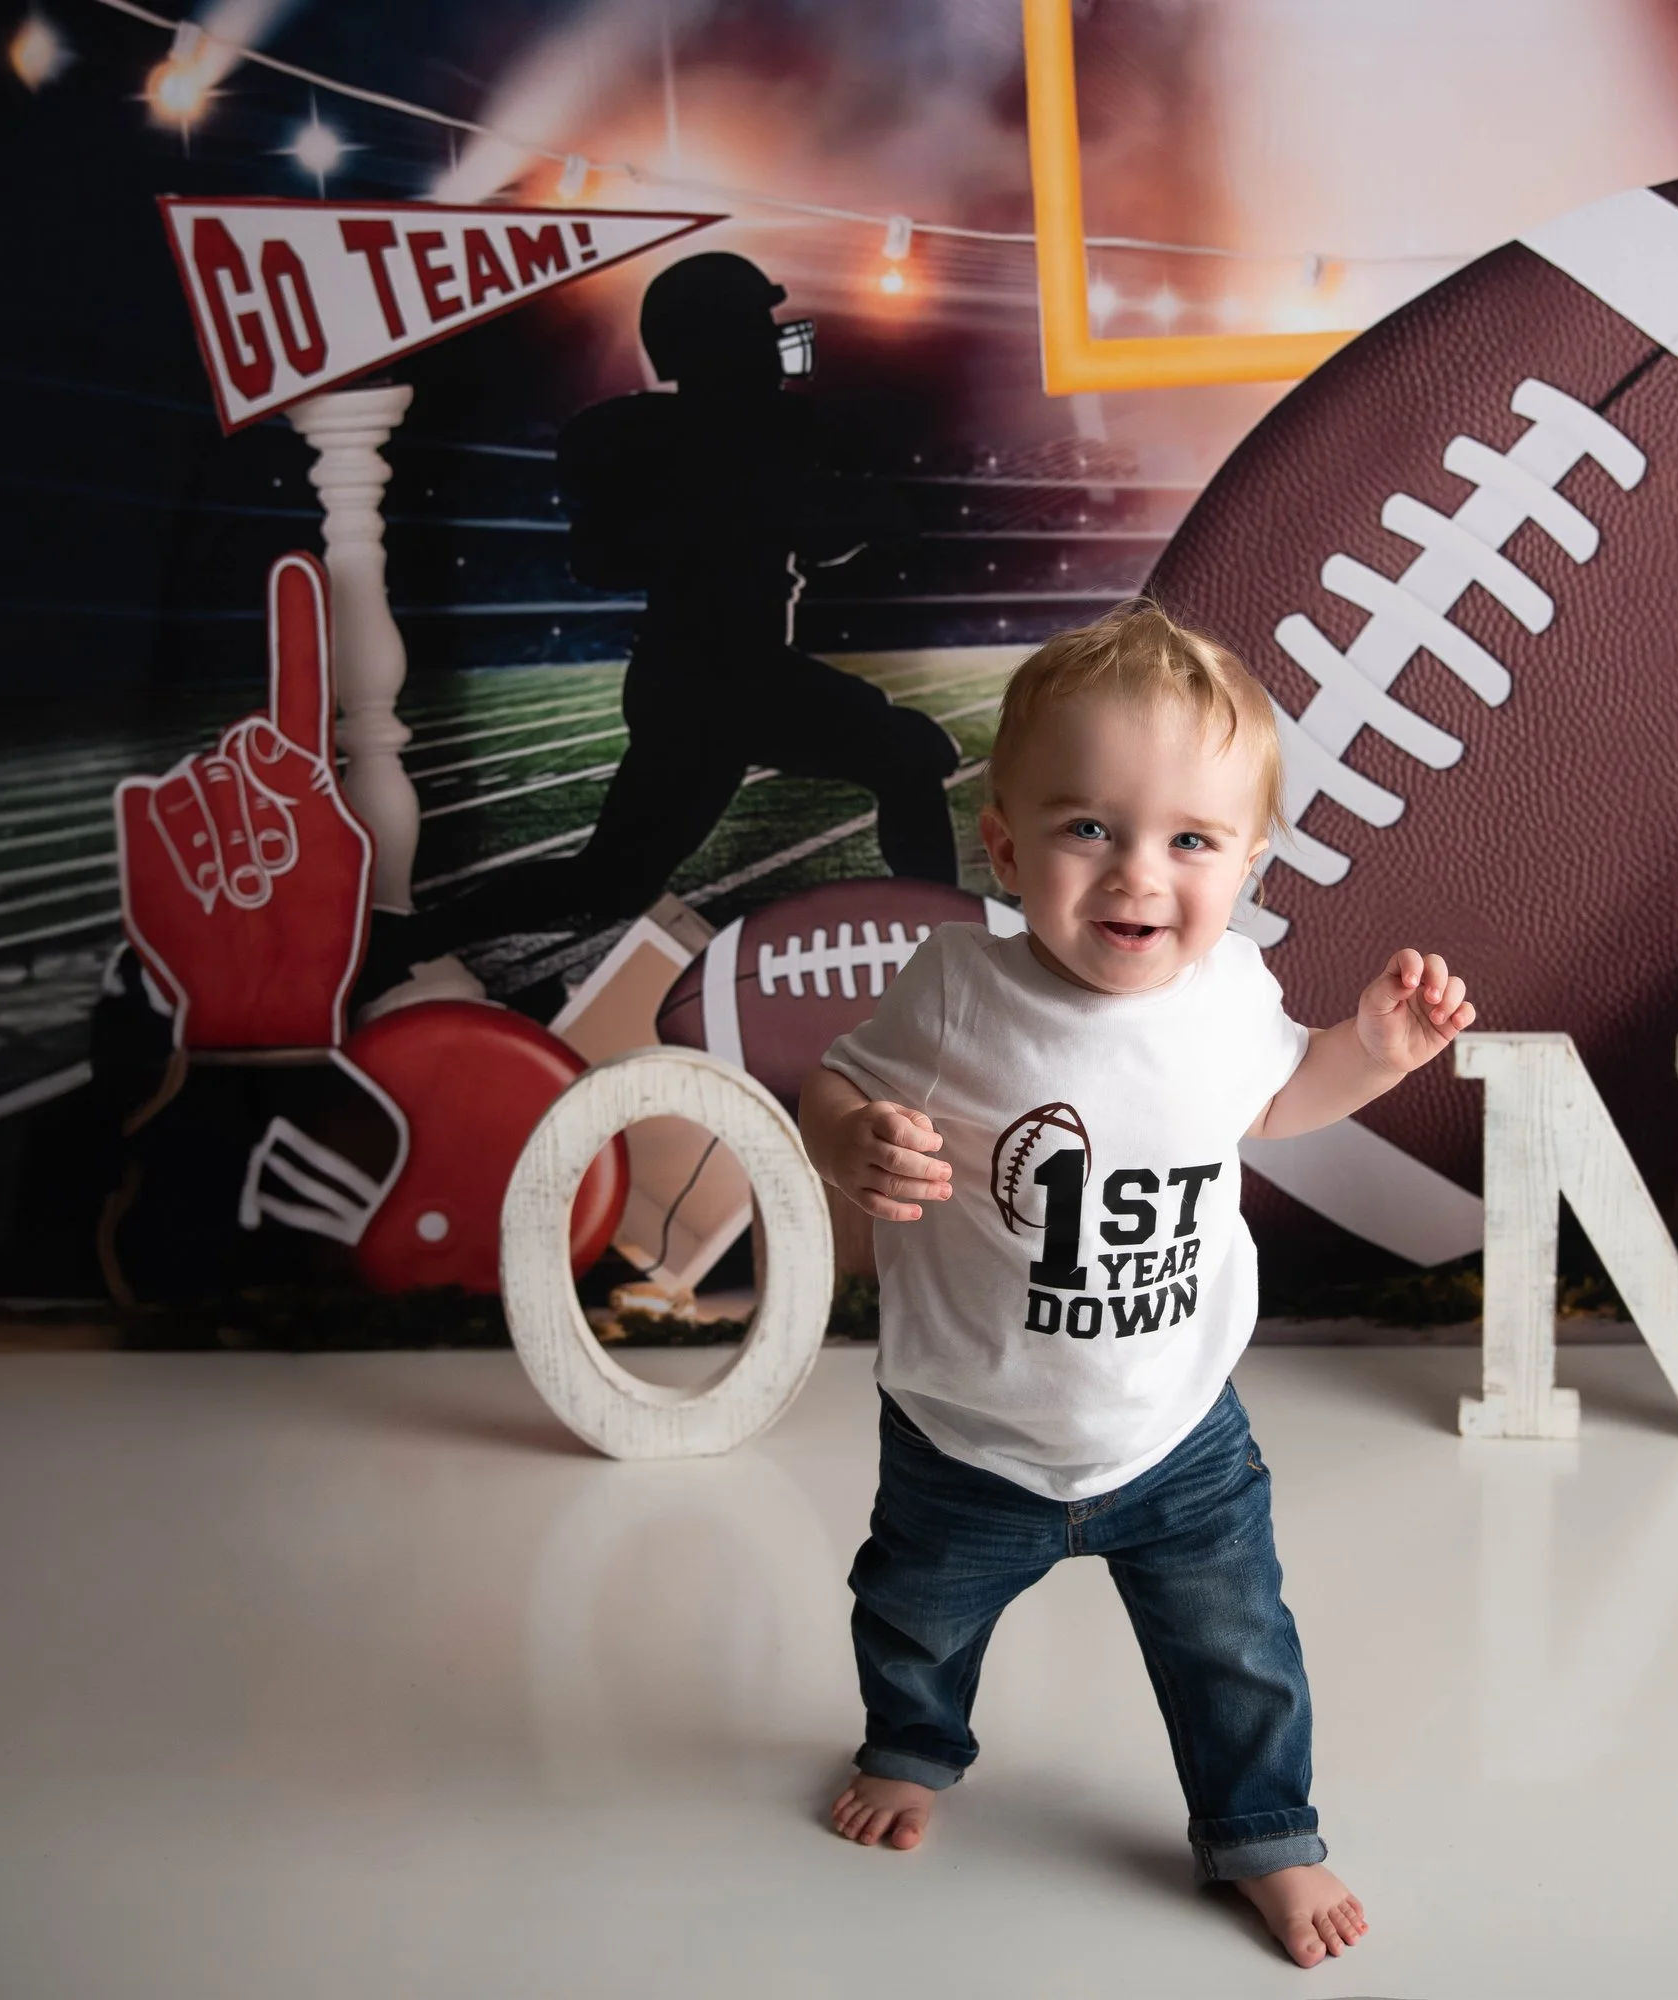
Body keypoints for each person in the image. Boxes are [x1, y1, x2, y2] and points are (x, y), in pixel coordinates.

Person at [797, 601, 1475, 1968]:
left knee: (1238, 1645)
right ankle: (913, 1745)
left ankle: (1263, 1829)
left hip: (1176, 1433)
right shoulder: (957, 990)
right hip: (967, 1433)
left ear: (1249, 861)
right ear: (1005, 846)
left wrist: (1371, 1052)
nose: (1137, 875)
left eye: (1190, 841)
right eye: (1089, 828)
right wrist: (849, 1139)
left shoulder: (1230, 993)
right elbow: (834, 1081)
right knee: (912, 1613)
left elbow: (1274, 1102)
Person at [393, 254, 956, 968]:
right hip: (711, 677)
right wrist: (800, 508)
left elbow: (802, 532)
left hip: (718, 676)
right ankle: (946, 945)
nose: (772, 342)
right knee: (907, 755)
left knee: (613, 878)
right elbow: (610, 552)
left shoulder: (723, 439)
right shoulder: (698, 446)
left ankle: (409, 939)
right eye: (754, 327)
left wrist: (828, 511)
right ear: (715, 343)